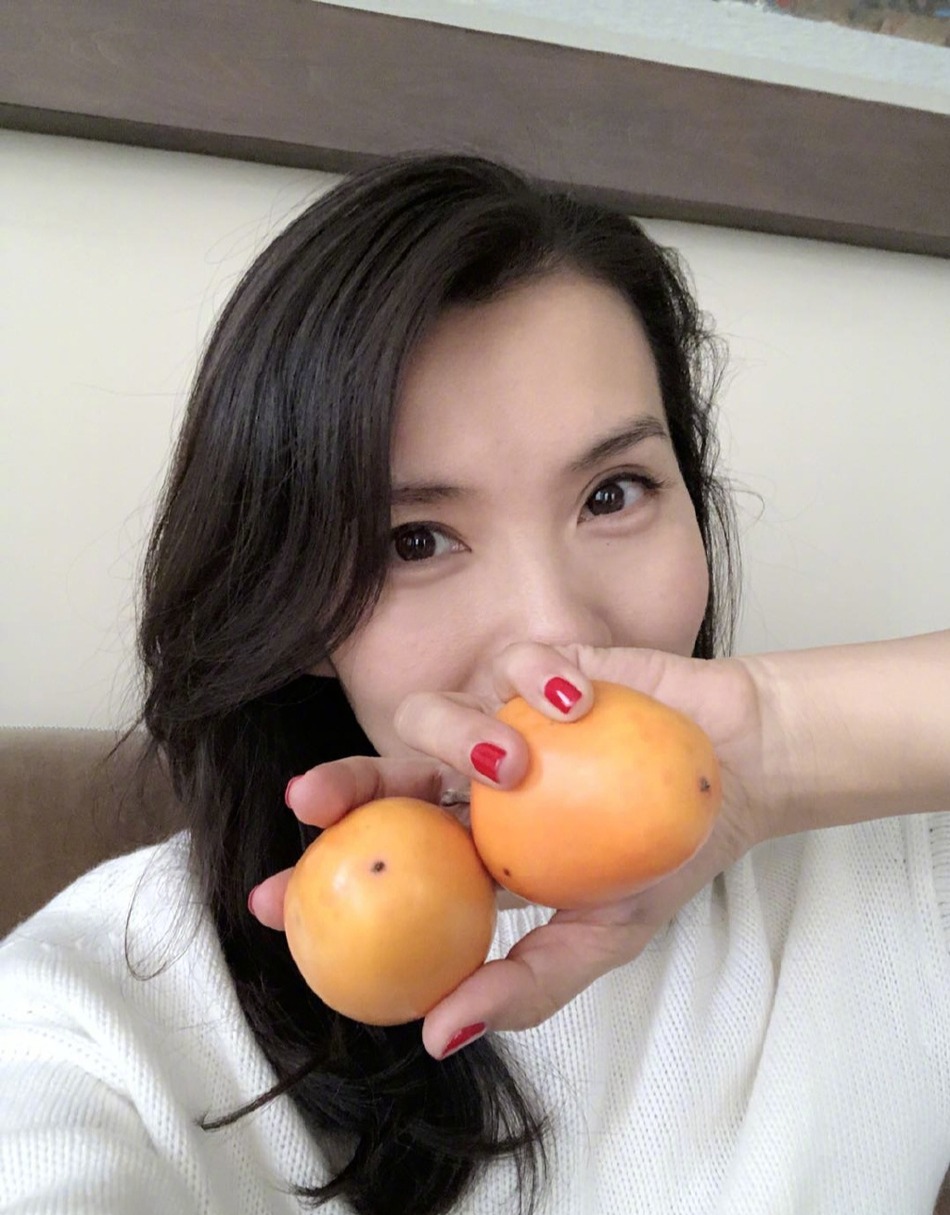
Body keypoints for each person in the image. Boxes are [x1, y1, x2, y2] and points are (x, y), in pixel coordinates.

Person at [0, 154, 947, 1215]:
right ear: (295, 606)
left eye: (614, 492)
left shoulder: (888, 878)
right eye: (414, 539)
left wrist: (775, 745)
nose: (555, 633)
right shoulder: (89, 1016)